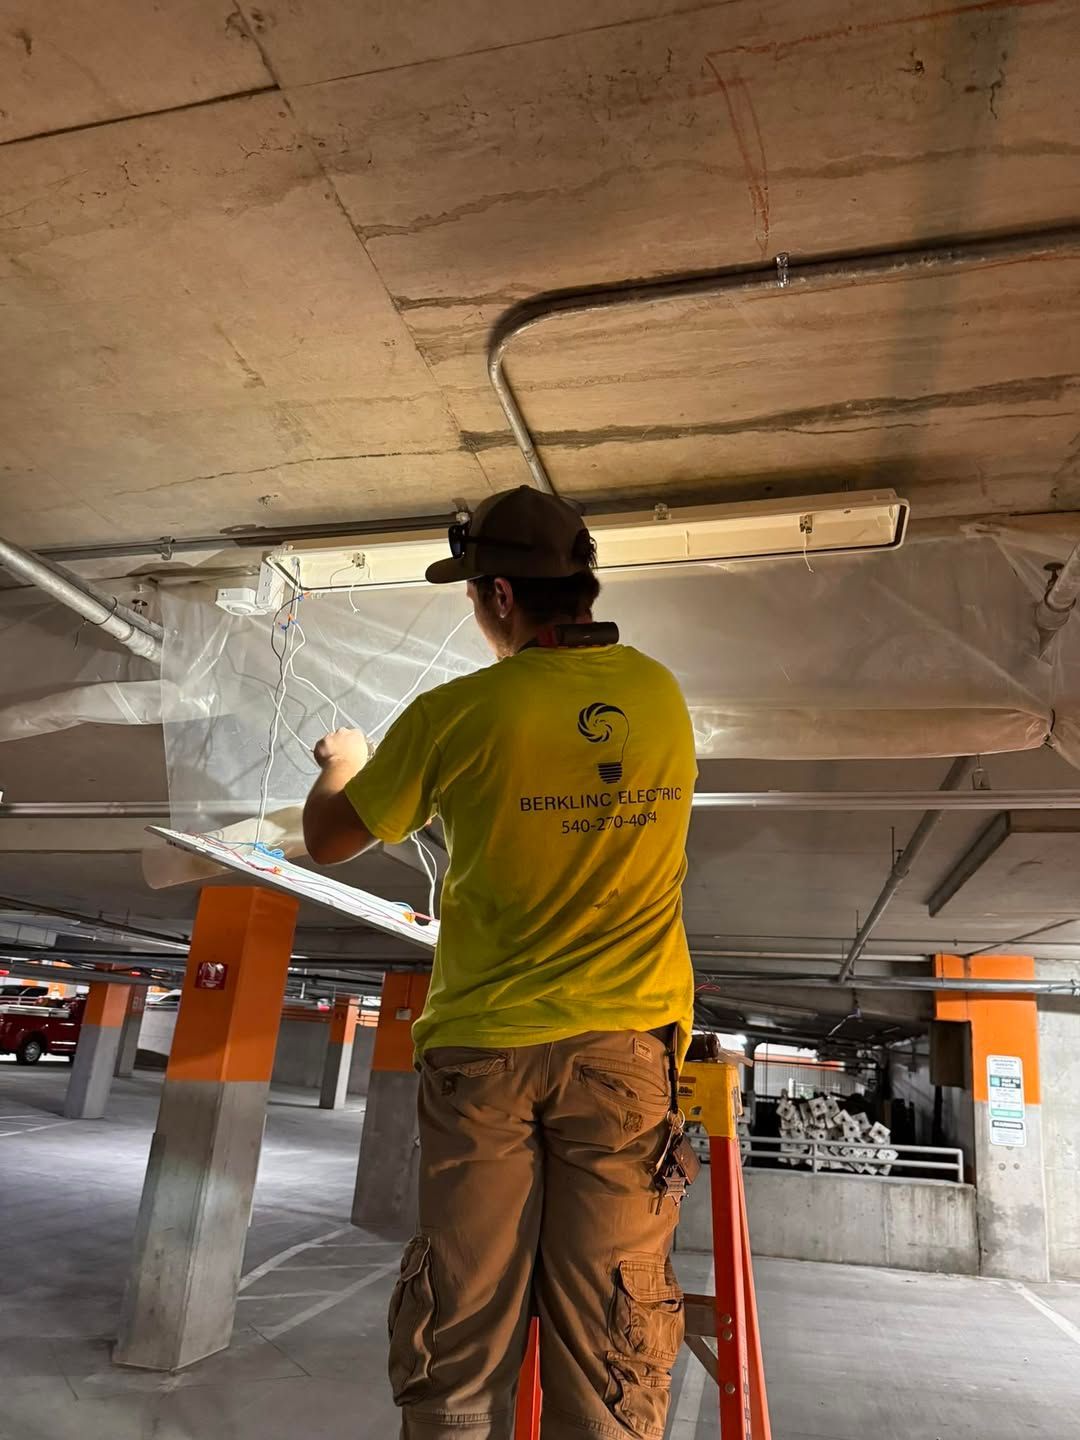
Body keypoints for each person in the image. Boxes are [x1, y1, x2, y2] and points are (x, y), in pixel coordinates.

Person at [303, 485, 697, 1440]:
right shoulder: (660, 695)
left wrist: (342, 759)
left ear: (504, 595)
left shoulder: (458, 712)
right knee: (610, 1333)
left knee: (459, 1324)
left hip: (482, 1054)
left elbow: (329, 838)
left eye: (475, 591)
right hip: (623, 1053)